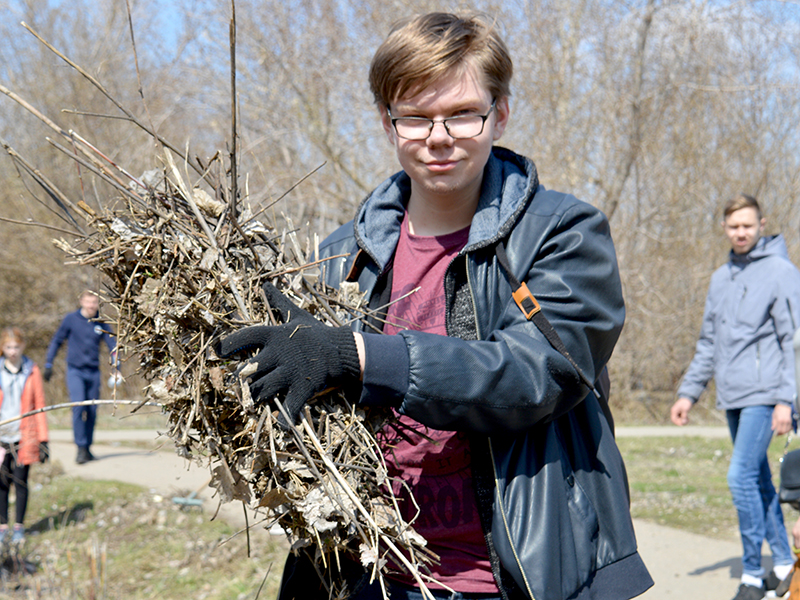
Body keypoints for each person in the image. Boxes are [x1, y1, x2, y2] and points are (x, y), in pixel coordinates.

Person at [220, 12, 652, 600]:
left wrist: (357, 356)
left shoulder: (565, 235)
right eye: (416, 118)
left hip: (515, 577)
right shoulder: (341, 254)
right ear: (387, 122)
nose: (439, 135)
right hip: (374, 573)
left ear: (500, 113)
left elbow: (536, 373)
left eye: (463, 114)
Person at [671, 194, 800, 600]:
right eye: (733, 226)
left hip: (767, 395)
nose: (740, 232)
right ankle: (782, 562)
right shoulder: (720, 277)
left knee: (740, 476)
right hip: (733, 395)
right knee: (759, 480)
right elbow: (708, 342)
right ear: (725, 228)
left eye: (747, 224)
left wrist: (787, 400)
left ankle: (750, 574)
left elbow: (793, 340)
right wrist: (688, 394)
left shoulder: (781, 272)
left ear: (762, 224)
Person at [44, 290, 117, 464]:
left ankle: (87, 447)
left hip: (93, 372)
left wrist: (117, 368)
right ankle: (80, 447)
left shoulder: (101, 322)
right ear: (82, 301)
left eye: (95, 302)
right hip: (75, 371)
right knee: (78, 407)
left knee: (92, 410)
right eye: (88, 301)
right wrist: (49, 364)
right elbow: (57, 341)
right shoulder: (71, 319)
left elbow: (113, 346)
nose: (92, 305)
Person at [0, 327, 49, 546]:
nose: (12, 351)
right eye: (8, 347)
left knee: (20, 481)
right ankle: (2, 528)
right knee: (1, 482)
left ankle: (19, 527)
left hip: (25, 435)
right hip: (1, 435)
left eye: (16, 347)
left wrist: (43, 439)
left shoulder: (32, 370)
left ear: (23, 347)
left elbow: (39, 405)